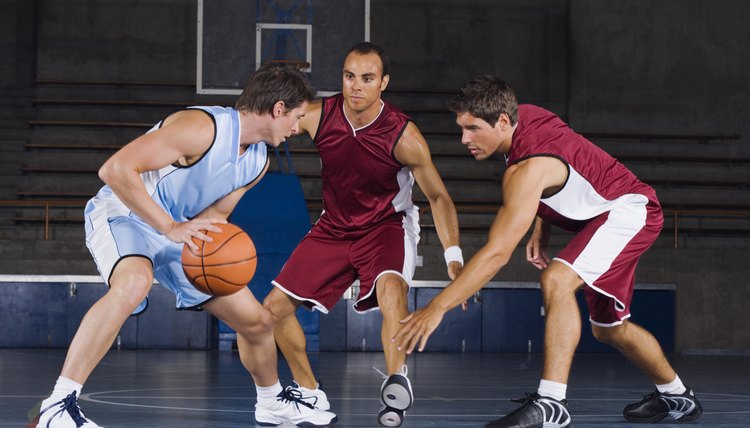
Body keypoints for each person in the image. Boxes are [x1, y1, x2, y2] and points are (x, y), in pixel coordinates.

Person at [35, 63, 336, 428]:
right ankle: (58, 405)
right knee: (133, 283)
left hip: (179, 231)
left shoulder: (257, 162)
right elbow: (115, 170)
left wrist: (223, 253)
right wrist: (169, 225)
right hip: (126, 211)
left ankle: (271, 402)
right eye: (297, 117)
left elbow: (214, 220)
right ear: (278, 109)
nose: (296, 128)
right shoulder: (203, 128)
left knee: (256, 322)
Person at [393, 76, 703, 428]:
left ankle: (552, 403)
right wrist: (544, 225)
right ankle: (677, 395)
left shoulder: (523, 172)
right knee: (609, 328)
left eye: (473, 129)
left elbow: (497, 252)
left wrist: (436, 308)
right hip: (601, 217)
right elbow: (566, 158)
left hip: (629, 210)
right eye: (461, 128)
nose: (464, 139)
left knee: (556, 278)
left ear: (504, 121)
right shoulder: (527, 114)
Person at [262, 42, 462, 427]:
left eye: (367, 78)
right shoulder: (320, 116)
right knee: (272, 310)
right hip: (334, 227)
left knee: (391, 291)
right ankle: (309, 391)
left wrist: (453, 255)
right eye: (349, 76)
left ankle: (395, 380)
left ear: (383, 83)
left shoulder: (403, 135)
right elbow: (272, 124)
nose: (355, 86)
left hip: (386, 226)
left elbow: (438, 196)